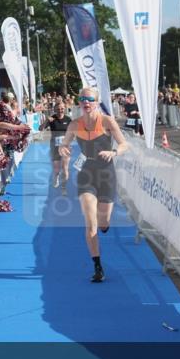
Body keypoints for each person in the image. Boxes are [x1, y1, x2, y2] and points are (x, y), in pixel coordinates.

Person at [58, 87, 129, 283]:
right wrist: (63, 149)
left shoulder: (107, 121)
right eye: (82, 99)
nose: (86, 102)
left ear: (96, 102)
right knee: (91, 224)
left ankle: (104, 223)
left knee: (103, 222)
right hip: (86, 174)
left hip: (106, 175)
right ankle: (98, 267)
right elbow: (64, 144)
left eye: (89, 99)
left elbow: (124, 144)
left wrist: (114, 152)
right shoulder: (74, 124)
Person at [42, 101, 72, 189]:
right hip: (55, 146)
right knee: (56, 169)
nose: (60, 110)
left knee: (65, 168)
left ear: (65, 109)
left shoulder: (68, 119)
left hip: (65, 147)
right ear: (55, 109)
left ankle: (64, 187)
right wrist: (46, 121)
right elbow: (40, 128)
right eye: (58, 109)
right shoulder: (52, 119)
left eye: (62, 109)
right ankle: (56, 177)